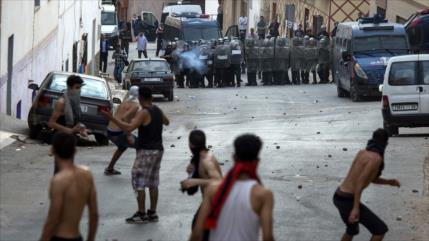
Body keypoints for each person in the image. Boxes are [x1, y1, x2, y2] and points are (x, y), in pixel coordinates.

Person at [101, 87, 170, 224]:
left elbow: (128, 128)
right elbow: (167, 122)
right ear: (152, 98)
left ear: (140, 99)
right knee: (153, 182)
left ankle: (141, 213)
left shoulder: (143, 112)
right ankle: (152, 213)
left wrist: (111, 118)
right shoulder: (157, 110)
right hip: (158, 150)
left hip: (146, 151)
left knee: (138, 182)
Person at [190, 134, 274, 241]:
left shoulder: (213, 190)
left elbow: (197, 233)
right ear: (258, 161)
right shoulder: (264, 195)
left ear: (234, 157)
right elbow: (268, 238)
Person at [333, 129, 401, 241]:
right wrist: (355, 209)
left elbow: (371, 179)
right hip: (348, 200)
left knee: (352, 230)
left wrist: (388, 182)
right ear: (386, 143)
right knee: (380, 230)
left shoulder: (362, 152)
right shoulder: (376, 159)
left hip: (338, 196)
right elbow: (359, 183)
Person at [39, 132, 98, 241]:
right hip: (76, 237)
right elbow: (94, 214)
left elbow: (53, 219)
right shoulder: (87, 175)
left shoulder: (58, 181)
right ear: (75, 151)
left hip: (59, 237)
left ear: (53, 151)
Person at [180, 130, 222, 228]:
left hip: (216, 204)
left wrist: (195, 181)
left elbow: (220, 182)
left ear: (190, 144)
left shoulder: (207, 160)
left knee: (198, 229)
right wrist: (192, 173)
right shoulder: (198, 159)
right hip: (209, 202)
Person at [48, 75, 89, 174]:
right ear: (70, 88)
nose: (79, 91)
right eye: (77, 88)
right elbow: (51, 123)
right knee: (60, 170)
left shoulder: (74, 101)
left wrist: (82, 129)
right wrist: (70, 130)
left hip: (70, 140)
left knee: (67, 170)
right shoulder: (61, 102)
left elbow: (75, 121)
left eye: (80, 88)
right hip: (61, 139)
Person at [104, 86, 140, 175]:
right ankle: (137, 170)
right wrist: (128, 135)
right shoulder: (135, 105)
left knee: (122, 147)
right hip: (118, 132)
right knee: (140, 146)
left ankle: (110, 168)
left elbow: (119, 116)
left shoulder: (124, 102)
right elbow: (125, 118)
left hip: (110, 130)